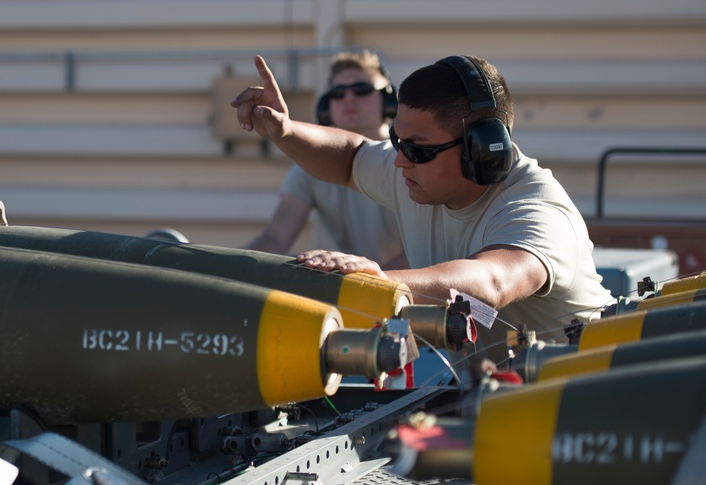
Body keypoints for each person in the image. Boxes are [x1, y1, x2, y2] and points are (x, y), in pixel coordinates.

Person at [232, 53, 614, 361]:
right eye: (398, 143)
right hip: (495, 395)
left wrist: (380, 282)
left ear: (479, 151)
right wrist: (285, 131)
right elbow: (351, 158)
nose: (400, 161)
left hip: (582, 404)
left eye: (416, 149)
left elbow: (492, 282)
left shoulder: (537, 209)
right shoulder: (417, 170)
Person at [245, 50, 407, 270]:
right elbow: (275, 237)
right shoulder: (308, 164)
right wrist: (232, 269)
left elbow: (424, 251)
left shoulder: (409, 157)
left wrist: (376, 278)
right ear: (326, 106)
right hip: (347, 286)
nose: (349, 98)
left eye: (362, 90)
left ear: (389, 100)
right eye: (338, 93)